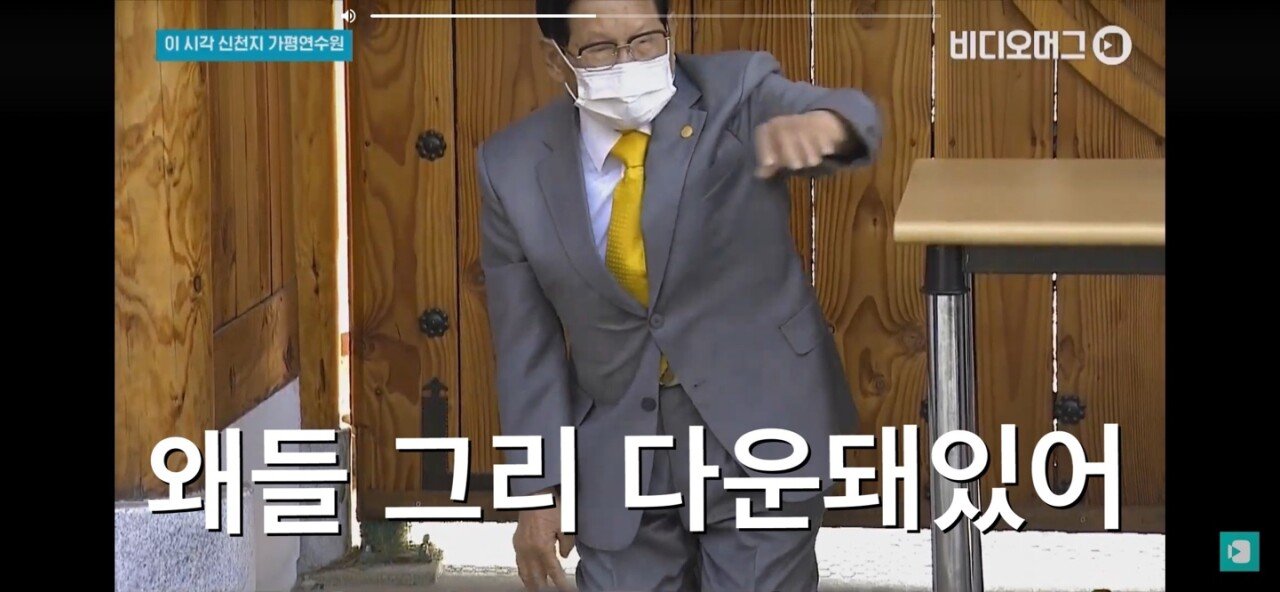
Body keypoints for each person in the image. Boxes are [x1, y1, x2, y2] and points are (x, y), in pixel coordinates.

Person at [477, 0, 880, 589]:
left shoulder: (734, 92)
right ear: (555, 59)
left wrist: (827, 126)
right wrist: (537, 490)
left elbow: (851, 113)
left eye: (645, 39)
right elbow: (525, 348)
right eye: (600, 49)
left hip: (758, 426)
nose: (629, 62)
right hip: (620, 452)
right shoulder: (510, 167)